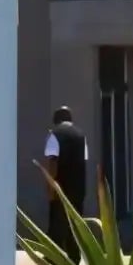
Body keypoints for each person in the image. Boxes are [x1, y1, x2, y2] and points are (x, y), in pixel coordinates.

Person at [43, 104, 88, 252]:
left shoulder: (54, 135)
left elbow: (52, 162)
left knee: (57, 225)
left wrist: (50, 188)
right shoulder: (81, 136)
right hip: (78, 189)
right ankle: (74, 257)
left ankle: (53, 257)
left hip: (60, 188)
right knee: (75, 226)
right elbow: (84, 160)